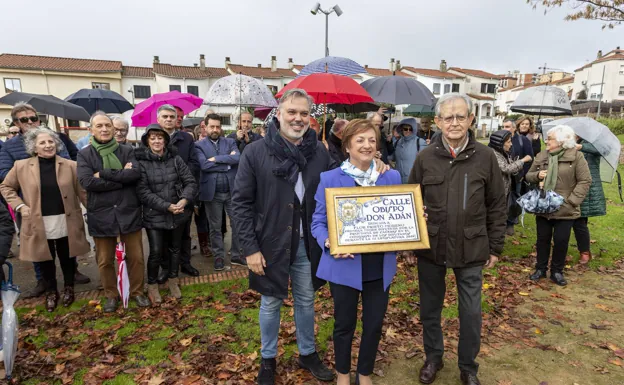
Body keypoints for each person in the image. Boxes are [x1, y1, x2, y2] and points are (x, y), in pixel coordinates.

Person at [232, 89, 335, 385]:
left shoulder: (319, 152)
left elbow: (336, 188)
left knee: (305, 299)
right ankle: (268, 358)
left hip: (306, 243)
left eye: (304, 113)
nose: (298, 118)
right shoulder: (255, 152)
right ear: (279, 114)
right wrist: (249, 249)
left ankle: (307, 352)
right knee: (270, 302)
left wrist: (374, 168)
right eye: (292, 112)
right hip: (270, 243)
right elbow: (240, 204)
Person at [407, 93, 506, 385]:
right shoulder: (424, 157)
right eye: (448, 117)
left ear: (471, 120)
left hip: (472, 245)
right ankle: (433, 358)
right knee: (430, 309)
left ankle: (468, 367)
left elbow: (497, 203)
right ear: (437, 121)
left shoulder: (486, 157)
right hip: (432, 246)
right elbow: (412, 201)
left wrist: (496, 245)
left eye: (460, 116)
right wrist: (411, 244)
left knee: (471, 312)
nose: (454, 122)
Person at [311, 119, 400, 385]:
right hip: (344, 265)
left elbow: (399, 216)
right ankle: (342, 373)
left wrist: (414, 221)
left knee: (373, 325)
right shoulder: (330, 178)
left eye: (372, 140)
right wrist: (329, 243)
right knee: (344, 325)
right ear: (348, 145)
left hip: (378, 265)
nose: (367, 145)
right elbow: (318, 222)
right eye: (360, 140)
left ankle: (364, 372)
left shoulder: (391, 177)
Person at [0, 102, 90, 298]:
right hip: (35, 214)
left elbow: (81, 189)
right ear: (34, 147)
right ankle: (50, 290)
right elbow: (6, 184)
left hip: (64, 215)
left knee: (67, 254)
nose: (48, 145)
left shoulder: (68, 163)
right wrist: (20, 204)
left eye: (50, 142)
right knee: (43, 256)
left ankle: (68, 287)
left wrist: (93, 210)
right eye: (42, 143)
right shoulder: (19, 162)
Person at [77, 112, 149, 312]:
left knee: (136, 257)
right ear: (91, 130)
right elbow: (87, 182)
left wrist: (104, 175)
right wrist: (120, 178)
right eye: (99, 126)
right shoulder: (85, 154)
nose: (104, 129)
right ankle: (111, 294)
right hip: (101, 214)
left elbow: (134, 174)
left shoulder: (127, 150)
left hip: (128, 211)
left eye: (108, 125)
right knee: (104, 259)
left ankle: (137, 292)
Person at [136, 124, 197, 303]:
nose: (156, 141)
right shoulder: (141, 163)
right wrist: (166, 206)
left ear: (165, 140)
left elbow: (190, 182)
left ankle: (173, 279)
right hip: (154, 215)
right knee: (155, 251)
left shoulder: (176, 159)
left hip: (177, 212)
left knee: (175, 248)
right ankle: (153, 285)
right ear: (147, 141)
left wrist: (184, 200)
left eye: (160, 137)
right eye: (152, 138)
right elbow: (143, 192)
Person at [525, 125, 591, 286]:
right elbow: (528, 175)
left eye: (550, 138)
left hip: (565, 207)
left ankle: (557, 271)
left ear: (561, 141)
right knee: (542, 239)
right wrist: (537, 175)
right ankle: (540, 269)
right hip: (544, 206)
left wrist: (571, 201)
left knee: (561, 240)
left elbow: (585, 180)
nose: (546, 141)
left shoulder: (577, 157)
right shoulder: (542, 155)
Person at [155, 105, 200, 281]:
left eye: (172, 117)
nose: (168, 119)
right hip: (161, 195)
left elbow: (194, 164)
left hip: (183, 193)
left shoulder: (186, 140)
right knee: (164, 234)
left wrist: (179, 175)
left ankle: (185, 262)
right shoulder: (153, 138)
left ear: (177, 120)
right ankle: (165, 267)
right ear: (158, 119)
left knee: (184, 232)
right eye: (165, 116)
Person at [196, 113, 243, 270]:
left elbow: (237, 158)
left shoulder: (229, 142)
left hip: (232, 191)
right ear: (206, 127)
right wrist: (226, 163)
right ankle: (218, 257)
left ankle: (236, 255)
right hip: (212, 193)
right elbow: (203, 165)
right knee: (215, 227)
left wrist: (215, 159)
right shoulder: (199, 146)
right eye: (212, 126)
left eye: (218, 126)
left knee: (237, 224)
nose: (215, 129)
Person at [572, 136, 606, 264]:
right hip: (569, 184)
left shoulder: (592, 143)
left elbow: (603, 150)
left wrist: (581, 147)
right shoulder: (568, 141)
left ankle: (584, 252)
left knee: (580, 219)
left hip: (586, 186)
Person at [502, 119, 534, 235]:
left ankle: (510, 223)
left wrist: (523, 174)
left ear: (514, 128)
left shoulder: (522, 140)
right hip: (503, 175)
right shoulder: (500, 139)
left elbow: (530, 157)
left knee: (514, 198)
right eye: (504, 126)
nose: (506, 129)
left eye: (508, 127)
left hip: (517, 176)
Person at [488, 130, 532, 198]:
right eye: (508, 142)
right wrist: (523, 160)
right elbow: (507, 168)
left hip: (503, 192)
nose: (511, 144)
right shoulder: (494, 154)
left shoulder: (502, 152)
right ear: (500, 143)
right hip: (496, 194)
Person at [394, 118, 428, 184]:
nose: (408, 131)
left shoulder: (420, 142)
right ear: (401, 129)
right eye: (405, 129)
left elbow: (426, 163)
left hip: (414, 181)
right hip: (398, 181)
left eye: (411, 129)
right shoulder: (397, 142)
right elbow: (391, 157)